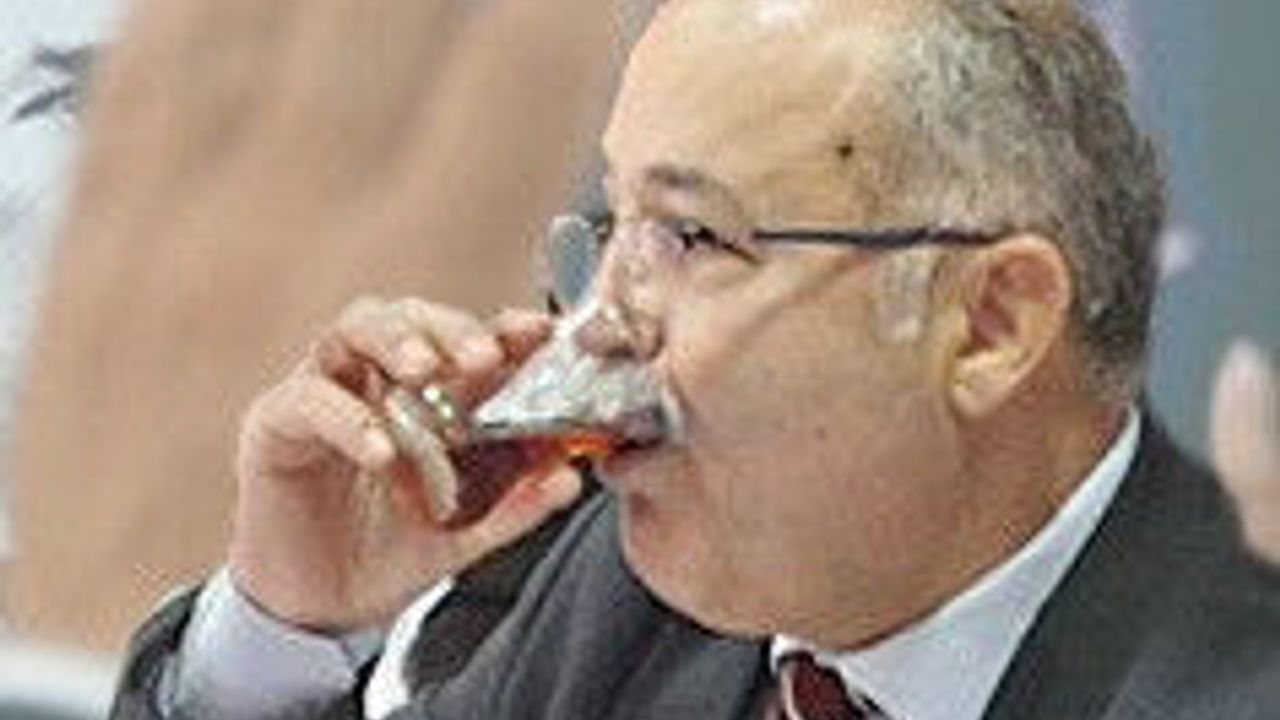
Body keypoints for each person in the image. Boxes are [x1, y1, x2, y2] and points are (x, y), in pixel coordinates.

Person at [111, 0, 1280, 718]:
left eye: (690, 236)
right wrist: (286, 633)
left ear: (987, 324)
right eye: (609, 227)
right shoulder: (640, 597)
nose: (592, 327)